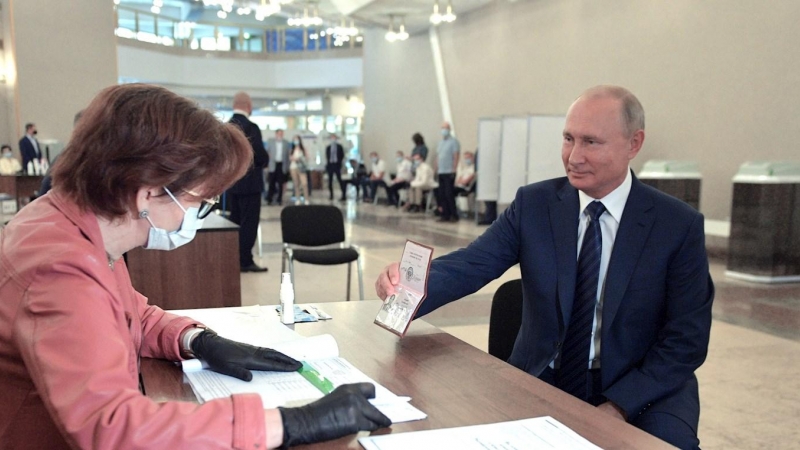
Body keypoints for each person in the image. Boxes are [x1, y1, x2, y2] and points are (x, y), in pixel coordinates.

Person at [0, 84, 390, 450]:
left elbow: (129, 313)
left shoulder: (75, 225)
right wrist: (289, 423)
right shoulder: (60, 266)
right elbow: (113, 427)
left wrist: (197, 340)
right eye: (198, 202)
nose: (196, 216)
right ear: (148, 193)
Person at [376, 86, 713, 449]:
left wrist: (618, 406)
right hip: (544, 376)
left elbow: (687, 338)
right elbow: (472, 264)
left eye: (591, 142)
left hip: (642, 387)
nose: (574, 156)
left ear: (634, 144)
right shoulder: (534, 205)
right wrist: (408, 287)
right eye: (568, 139)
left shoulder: (676, 226)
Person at [228, 92, 269, 273]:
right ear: (249, 106)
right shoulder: (251, 128)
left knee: (234, 222)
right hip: (250, 184)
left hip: (231, 184)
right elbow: (260, 156)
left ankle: (232, 257)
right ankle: (245, 260)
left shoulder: (226, 127)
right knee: (249, 223)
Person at [435, 122, 460, 222]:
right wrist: (435, 168)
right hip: (441, 171)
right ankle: (445, 214)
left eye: (445, 128)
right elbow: (438, 157)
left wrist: (454, 168)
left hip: (449, 171)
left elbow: (456, 155)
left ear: (449, 129)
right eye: (442, 128)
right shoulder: (440, 143)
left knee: (449, 194)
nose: (443, 130)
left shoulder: (454, 142)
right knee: (442, 194)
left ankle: (454, 214)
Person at [266, 129, 291, 206]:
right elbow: (267, 153)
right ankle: (269, 199)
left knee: (281, 183)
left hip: (282, 165)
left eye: (281, 134)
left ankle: (279, 199)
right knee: (271, 183)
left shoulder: (286, 143)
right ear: (276, 134)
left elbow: (287, 156)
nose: (280, 135)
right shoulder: (270, 142)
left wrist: (287, 168)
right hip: (273, 165)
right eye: (279, 133)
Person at [289, 135, 310, 204]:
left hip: (301, 168)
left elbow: (306, 158)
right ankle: (297, 199)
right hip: (293, 168)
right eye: (294, 140)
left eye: (297, 140)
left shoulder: (303, 149)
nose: (296, 141)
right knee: (296, 184)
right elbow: (290, 158)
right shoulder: (292, 150)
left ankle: (306, 198)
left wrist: (299, 159)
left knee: (304, 183)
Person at [325, 134, 345, 201]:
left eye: (334, 138)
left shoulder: (339, 147)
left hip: (337, 165)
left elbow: (342, 155)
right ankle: (331, 195)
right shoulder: (328, 147)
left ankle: (343, 194)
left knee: (340, 180)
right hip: (330, 165)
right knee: (330, 181)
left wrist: (339, 162)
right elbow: (327, 156)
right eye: (332, 138)